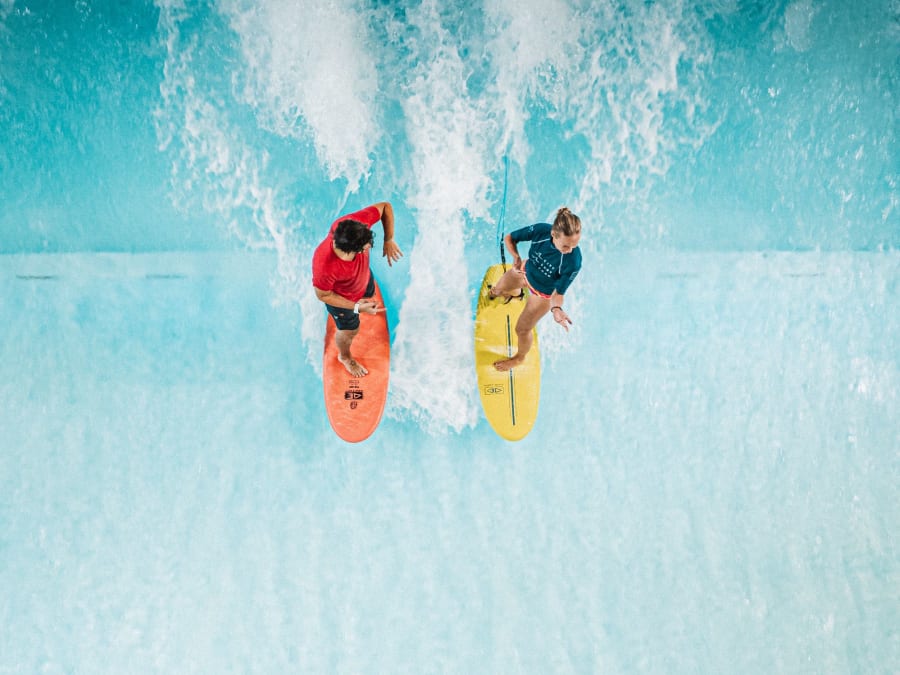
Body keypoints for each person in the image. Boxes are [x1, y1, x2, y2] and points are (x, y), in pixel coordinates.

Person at [312, 202, 403, 377]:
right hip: (342, 298)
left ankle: (363, 299)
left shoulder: (353, 225)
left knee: (369, 292)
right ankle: (345, 357)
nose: (369, 247)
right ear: (351, 251)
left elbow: (385, 207)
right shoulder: (324, 265)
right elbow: (322, 294)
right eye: (365, 247)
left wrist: (388, 239)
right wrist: (356, 307)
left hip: (363, 277)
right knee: (350, 330)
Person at [489, 207, 583, 371]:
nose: (570, 250)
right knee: (496, 291)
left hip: (542, 295)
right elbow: (510, 238)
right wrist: (516, 257)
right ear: (553, 234)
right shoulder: (541, 231)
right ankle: (516, 293)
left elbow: (558, 293)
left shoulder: (573, 261)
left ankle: (519, 358)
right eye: (566, 246)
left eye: (574, 245)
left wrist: (556, 309)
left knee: (522, 329)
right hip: (524, 272)